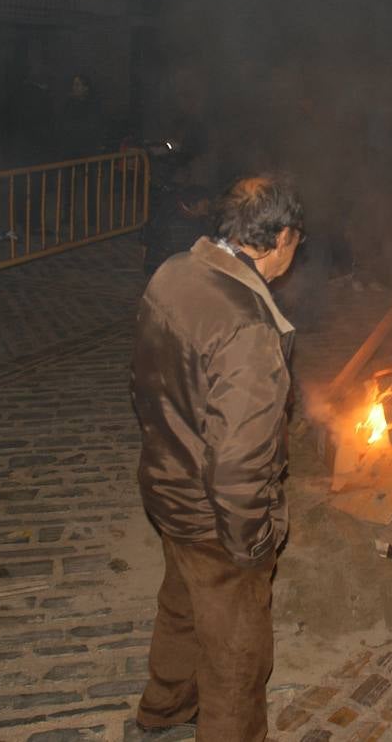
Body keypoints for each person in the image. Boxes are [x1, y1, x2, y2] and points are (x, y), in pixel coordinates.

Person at [131, 175, 304, 741]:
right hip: (215, 520)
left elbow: (144, 384)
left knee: (182, 607)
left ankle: (164, 710)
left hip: (167, 488)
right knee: (236, 658)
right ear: (279, 238)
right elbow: (237, 467)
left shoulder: (174, 272)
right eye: (295, 241)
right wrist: (254, 542)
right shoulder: (249, 330)